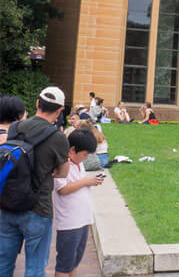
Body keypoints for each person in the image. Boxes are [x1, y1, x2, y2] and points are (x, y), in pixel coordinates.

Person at [0, 86, 70, 277]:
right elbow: (63, 173)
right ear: (59, 111)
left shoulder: (15, 128)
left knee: (3, 263)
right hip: (38, 208)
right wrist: (50, 171)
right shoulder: (58, 137)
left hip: (8, 202)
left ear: (37, 103)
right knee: (35, 268)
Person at [52, 129, 104, 277]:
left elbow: (79, 183)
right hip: (70, 223)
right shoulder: (63, 163)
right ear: (72, 150)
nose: (85, 158)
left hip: (83, 220)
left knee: (75, 260)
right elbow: (62, 189)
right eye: (84, 155)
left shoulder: (78, 164)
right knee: (65, 263)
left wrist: (90, 182)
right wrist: (85, 181)